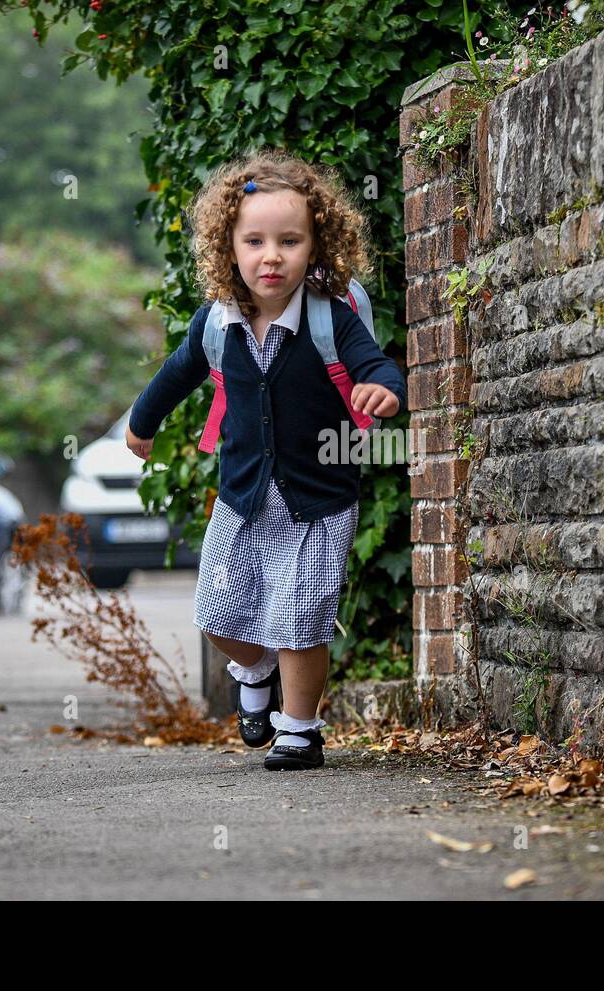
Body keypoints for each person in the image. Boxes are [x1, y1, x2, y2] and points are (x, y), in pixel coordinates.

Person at [124, 149, 407, 770]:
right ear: (230, 248)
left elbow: (376, 363)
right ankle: (253, 671)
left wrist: (385, 389)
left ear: (315, 246)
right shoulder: (216, 323)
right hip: (244, 495)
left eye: (289, 240)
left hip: (319, 496)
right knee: (217, 609)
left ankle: (300, 731)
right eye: (254, 241)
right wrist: (143, 422)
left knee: (301, 619)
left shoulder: (331, 317)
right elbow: (175, 375)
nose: (271, 255)